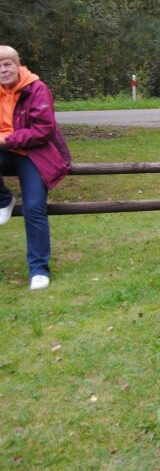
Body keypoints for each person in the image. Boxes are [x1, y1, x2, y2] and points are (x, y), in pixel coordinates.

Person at [0, 46, 72, 291]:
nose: (3, 69)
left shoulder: (37, 89)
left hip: (33, 154)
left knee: (34, 208)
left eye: (7, 63)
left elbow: (43, 130)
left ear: (18, 65)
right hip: (4, 151)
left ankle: (39, 269)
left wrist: (7, 140)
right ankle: (3, 199)